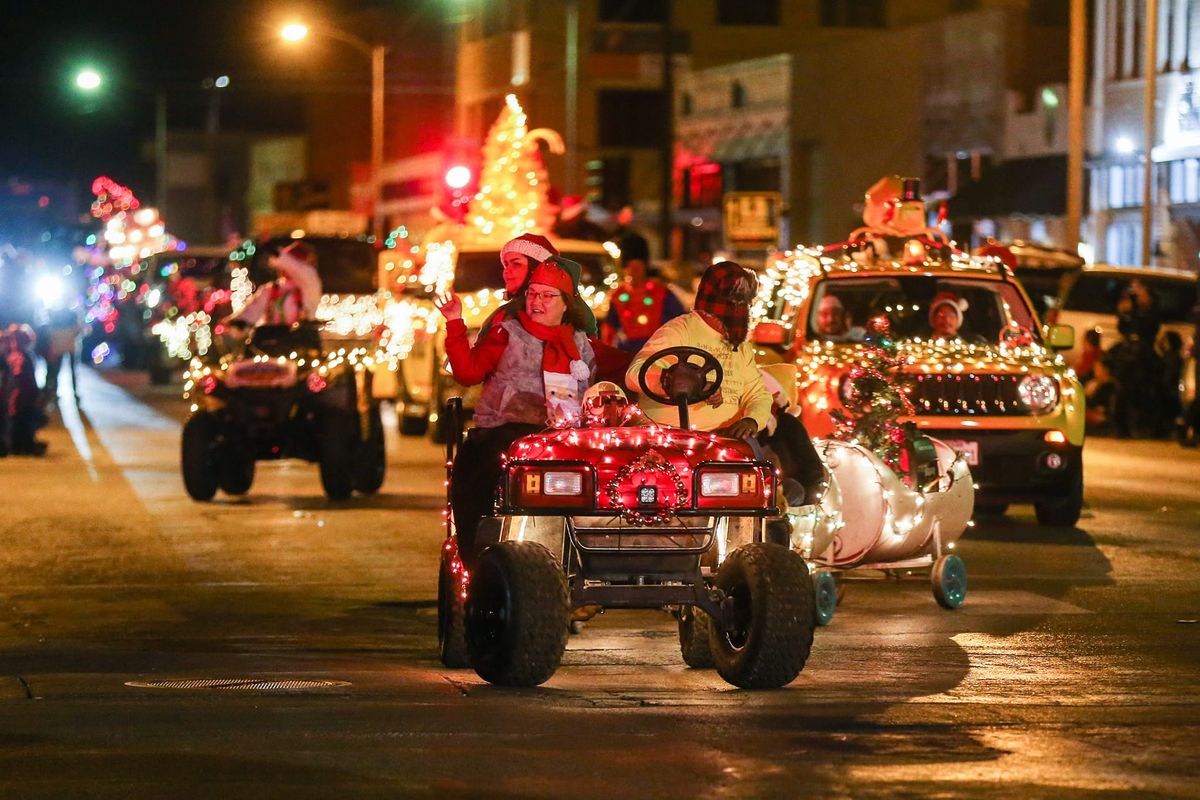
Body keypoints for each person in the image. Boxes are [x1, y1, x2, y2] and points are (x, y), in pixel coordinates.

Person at [436, 255, 596, 564]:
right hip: (504, 432)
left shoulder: (579, 343)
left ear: (566, 303)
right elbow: (468, 373)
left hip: (562, 439)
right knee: (477, 478)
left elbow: (595, 389)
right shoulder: (506, 333)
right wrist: (455, 321)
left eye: (547, 296)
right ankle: (476, 560)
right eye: (532, 294)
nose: (537, 302)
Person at [626, 261, 771, 440]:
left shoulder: (740, 346)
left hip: (725, 442)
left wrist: (752, 420)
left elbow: (758, 395)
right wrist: (691, 383)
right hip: (670, 439)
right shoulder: (679, 331)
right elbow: (635, 375)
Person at [603, 233, 686, 353]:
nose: (634, 273)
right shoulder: (617, 295)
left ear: (645, 267)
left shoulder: (661, 292)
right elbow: (610, 327)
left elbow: (679, 321)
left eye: (637, 268)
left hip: (658, 351)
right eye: (630, 268)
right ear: (624, 269)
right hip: (627, 353)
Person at [224, 241, 322, 328]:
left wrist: (278, 254)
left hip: (300, 343)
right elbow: (254, 309)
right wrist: (237, 322)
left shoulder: (311, 287)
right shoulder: (272, 290)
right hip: (270, 343)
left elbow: (299, 270)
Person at [5, 324, 47, 456]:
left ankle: (22, 444)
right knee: (20, 420)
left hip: (23, 396)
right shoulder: (18, 357)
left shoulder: (20, 355)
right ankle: (20, 445)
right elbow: (17, 379)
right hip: (20, 397)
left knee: (23, 420)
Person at [44, 306, 82, 403]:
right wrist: (71, 335)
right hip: (70, 345)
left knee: (57, 370)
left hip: (58, 346)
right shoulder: (72, 315)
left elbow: (50, 333)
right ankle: (74, 393)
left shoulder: (55, 317)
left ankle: (55, 392)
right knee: (72, 371)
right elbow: (78, 330)